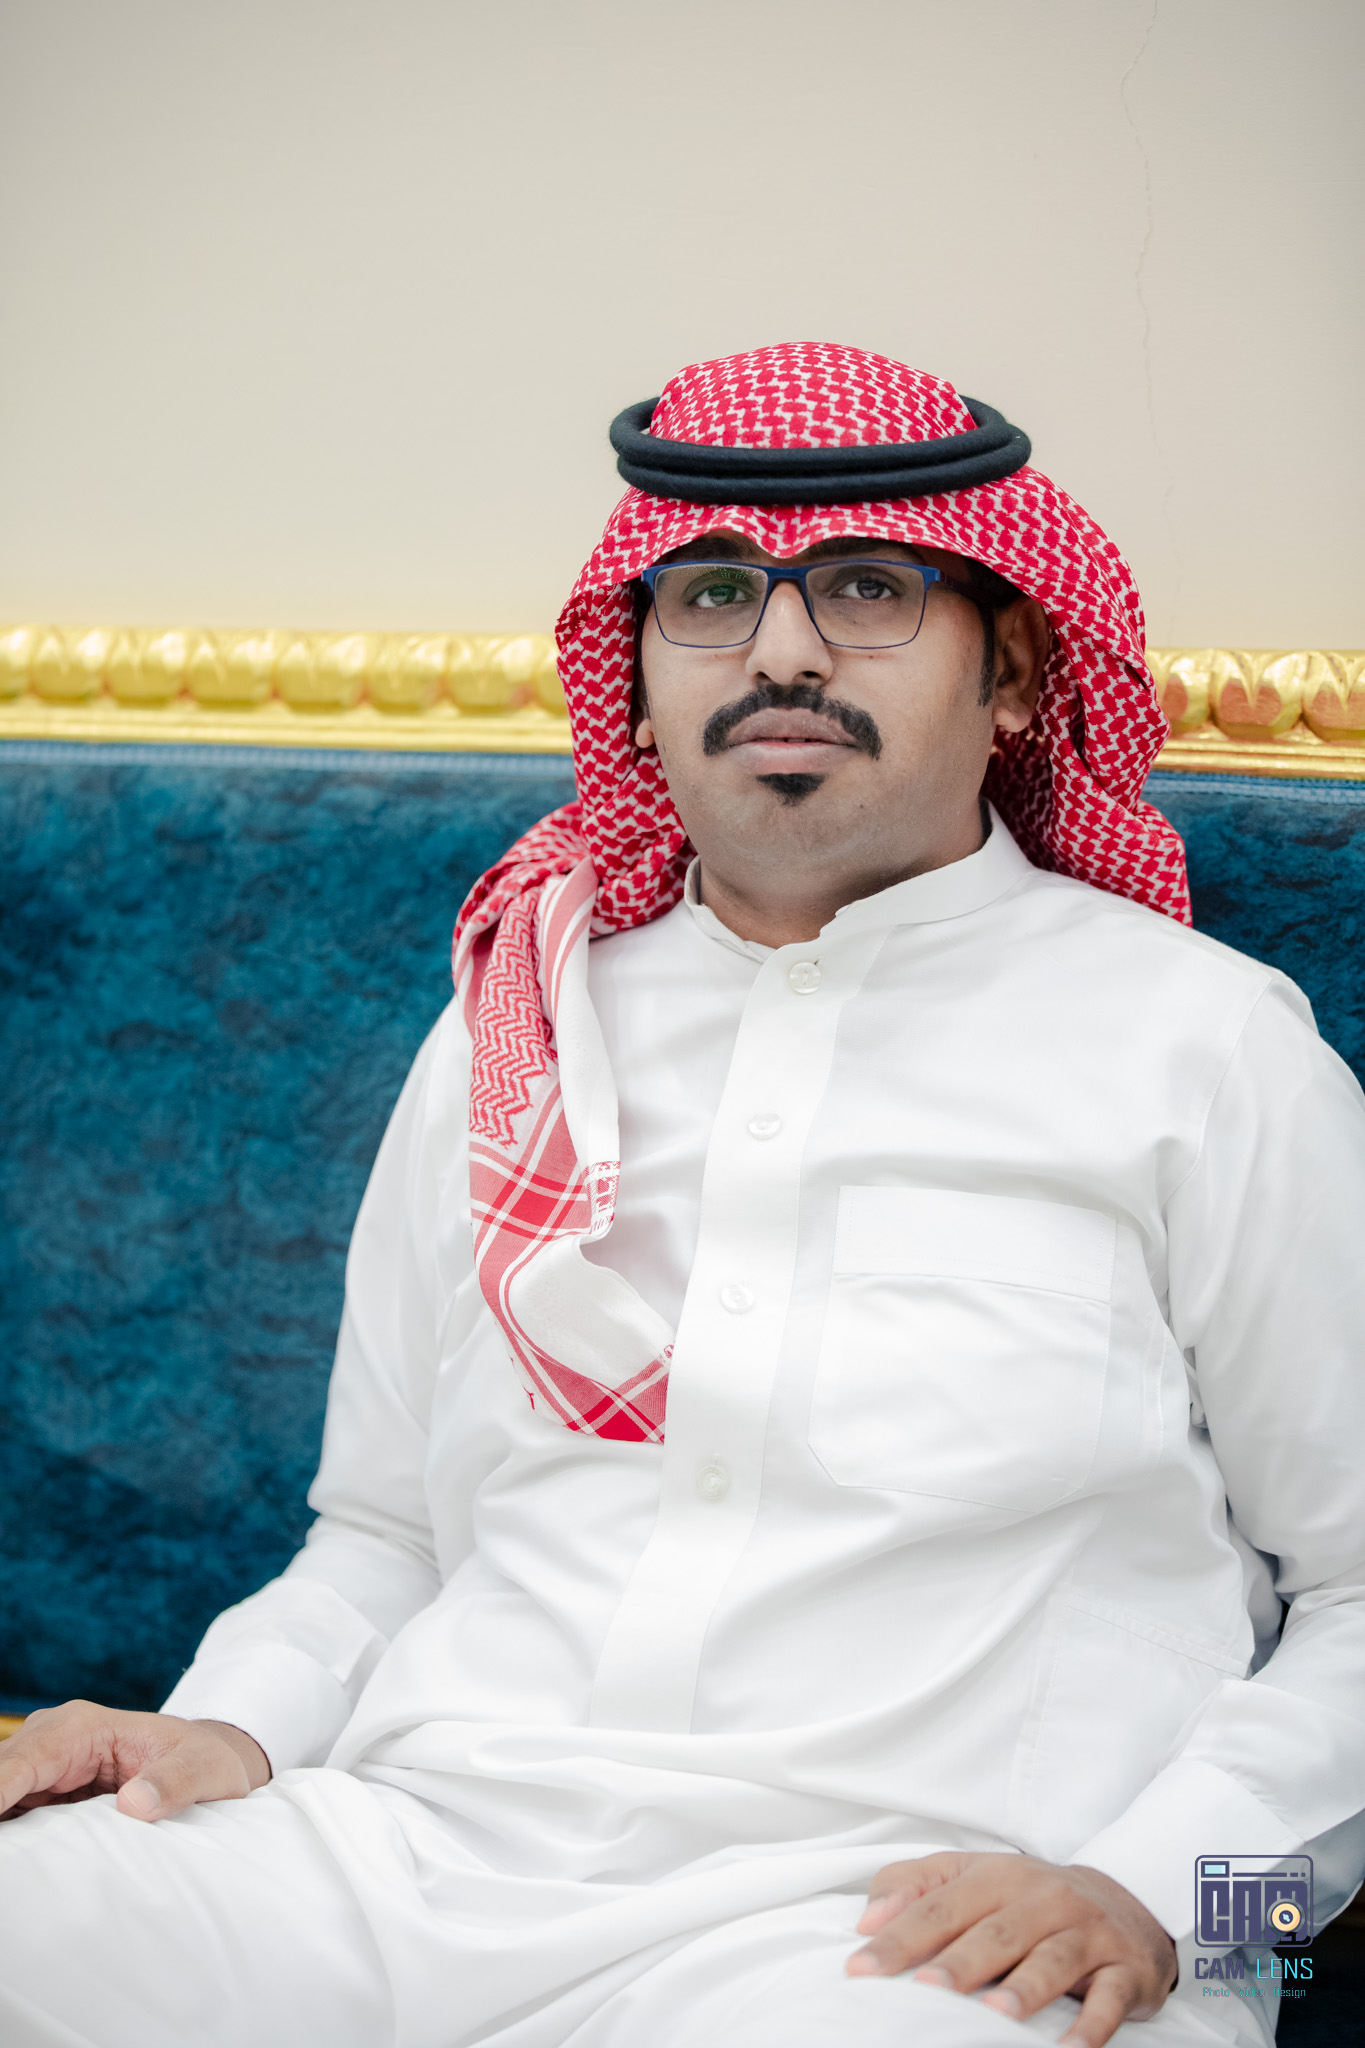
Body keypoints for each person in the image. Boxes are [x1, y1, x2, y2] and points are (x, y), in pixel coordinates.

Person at [1, 343, 1362, 2048]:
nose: (780, 648)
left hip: (914, 1935)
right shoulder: (516, 1018)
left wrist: (1174, 1901)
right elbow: (383, 1536)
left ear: (1014, 670)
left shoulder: (1203, 1049)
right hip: (419, 1860)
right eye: (711, 594)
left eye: (866, 588)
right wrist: (228, 1728)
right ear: (636, 681)